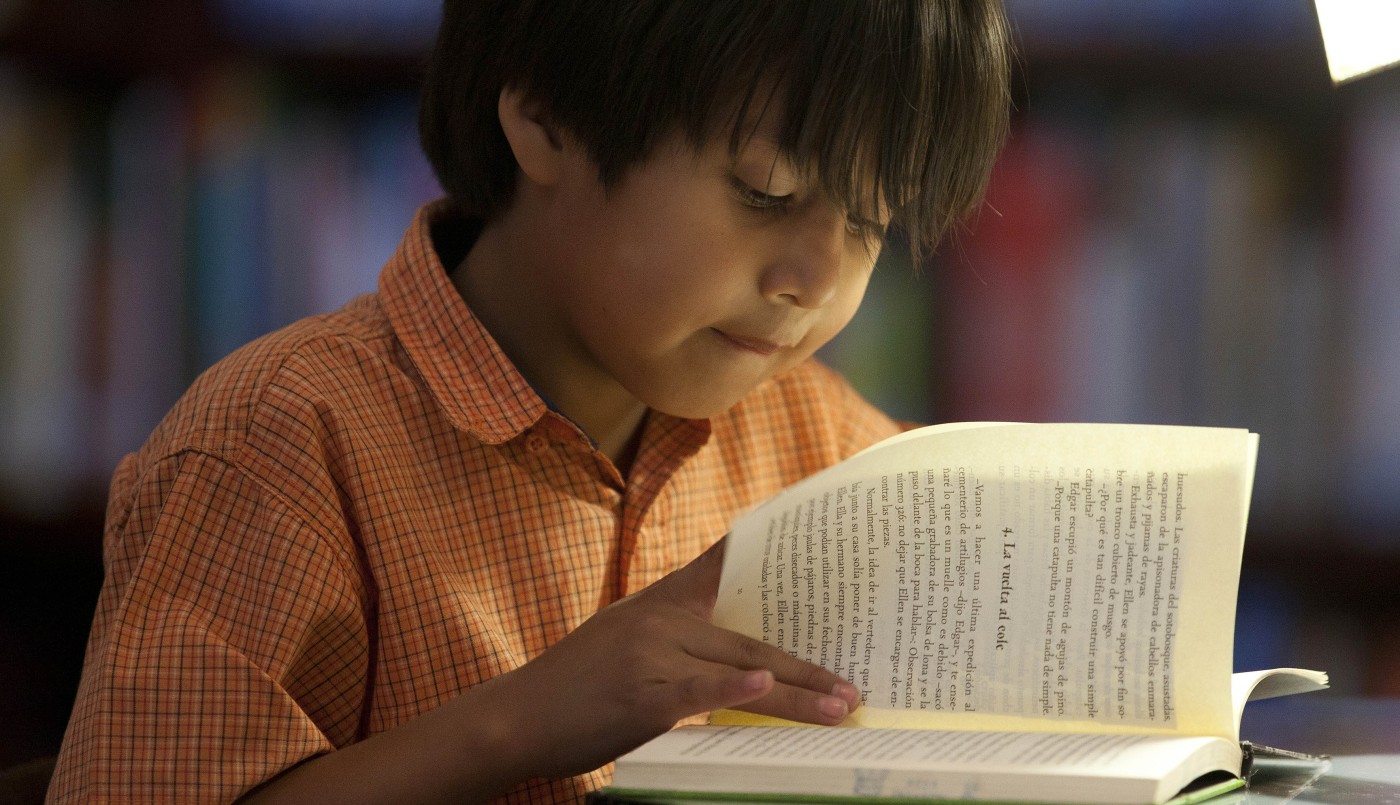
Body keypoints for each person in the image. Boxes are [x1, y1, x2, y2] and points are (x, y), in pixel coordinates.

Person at [48, 0, 1011, 802]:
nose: (818, 278)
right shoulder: (281, 443)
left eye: (873, 222)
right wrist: (520, 721)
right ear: (546, 119)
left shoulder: (833, 445)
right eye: (766, 191)